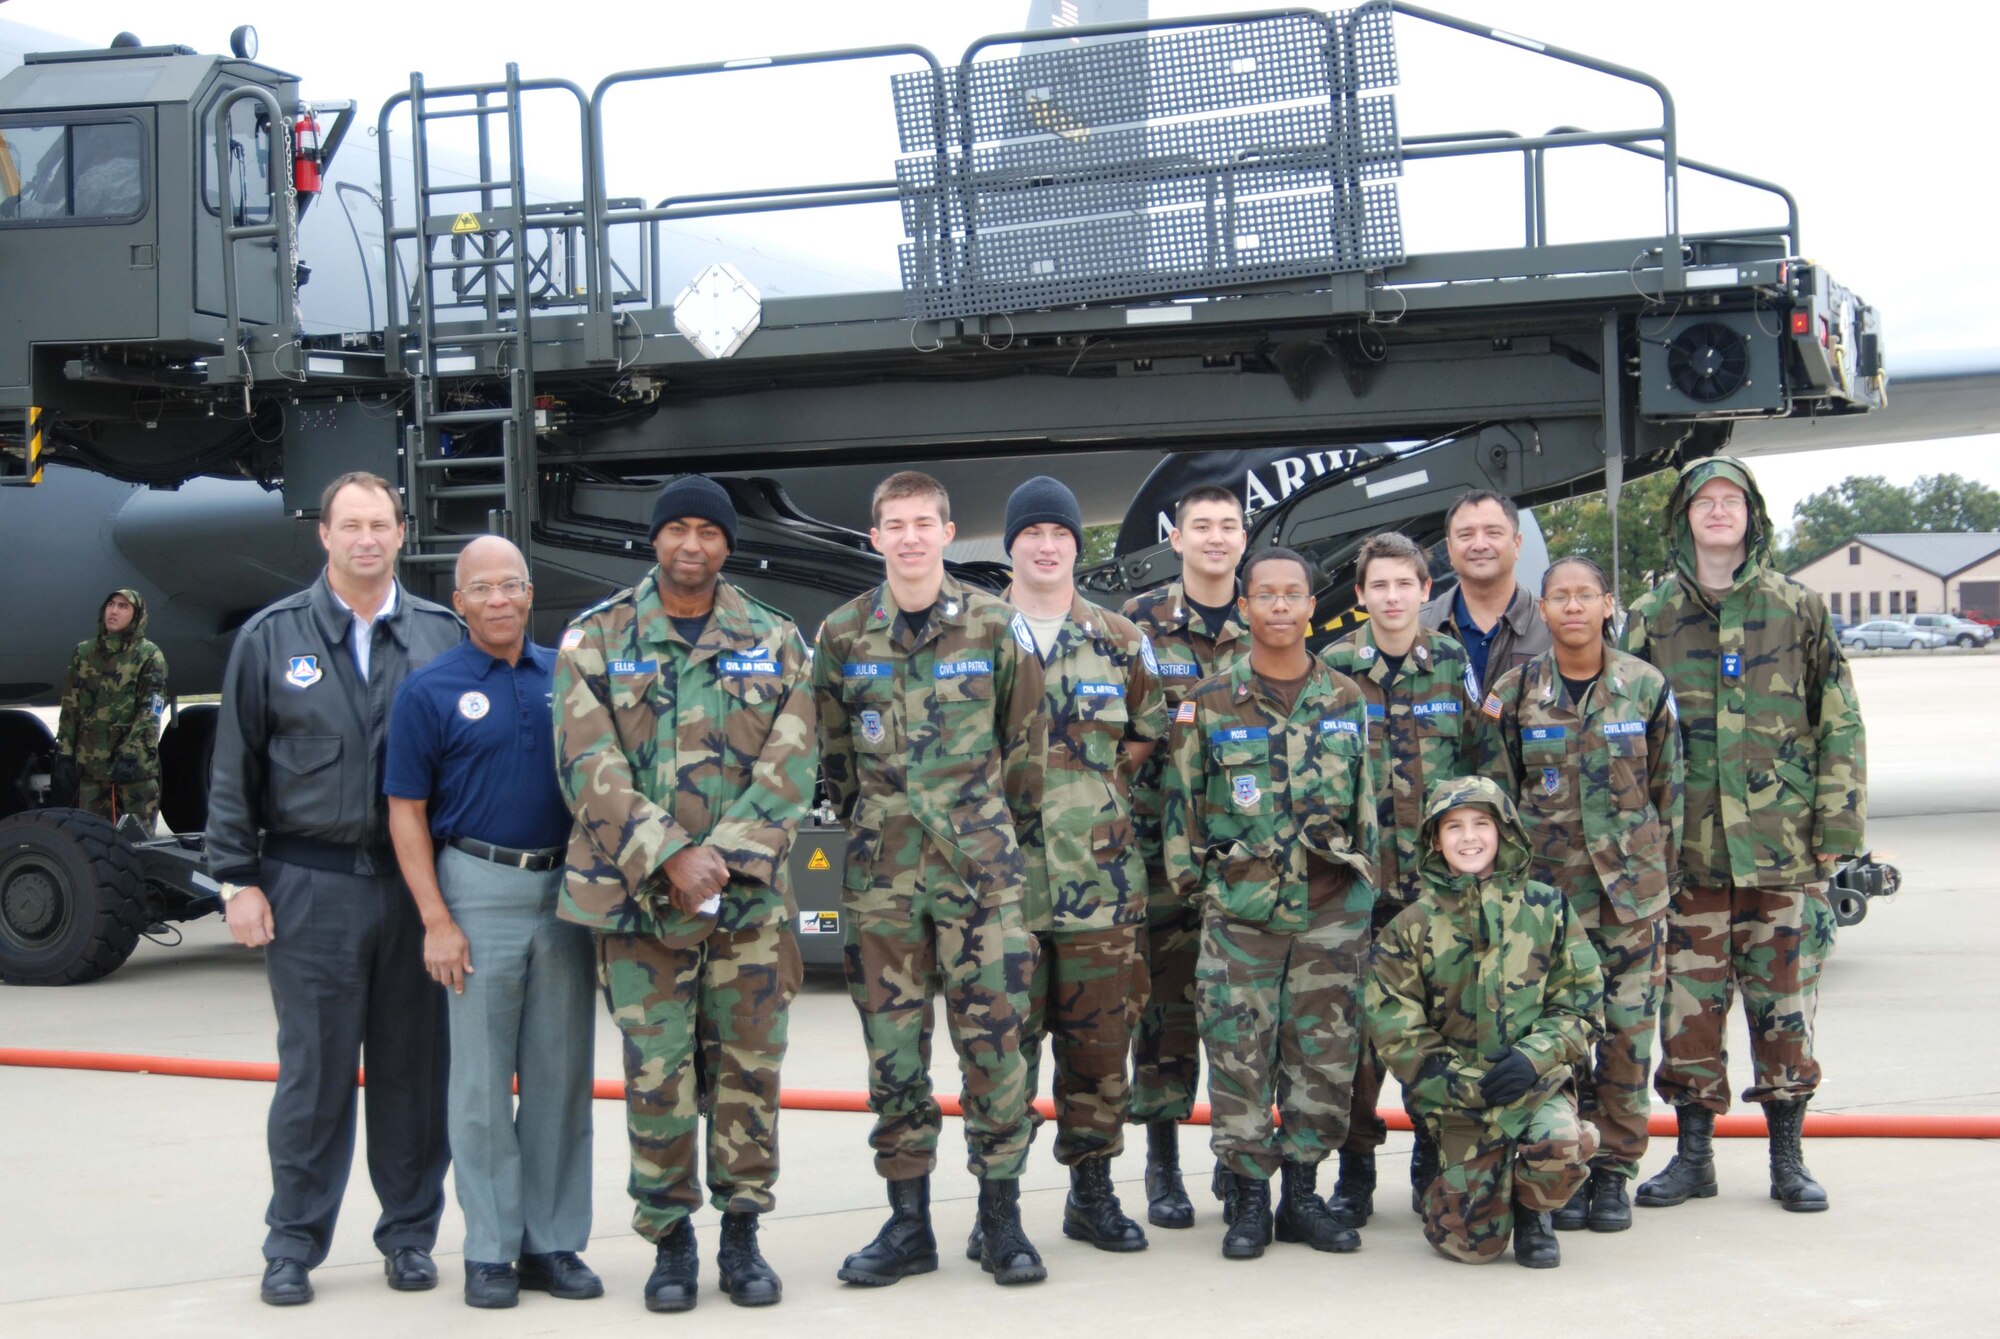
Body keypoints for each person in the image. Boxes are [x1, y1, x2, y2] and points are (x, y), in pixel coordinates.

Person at [555, 475, 817, 1312]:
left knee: (748, 1069)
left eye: (709, 530)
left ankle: (742, 1233)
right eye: (678, 529)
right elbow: (585, 762)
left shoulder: (775, 638)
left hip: (746, 906)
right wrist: (668, 853)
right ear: (656, 538)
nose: (692, 544)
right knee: (657, 1074)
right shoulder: (596, 637)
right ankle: (670, 1238)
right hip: (641, 906)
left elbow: (794, 763)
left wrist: (720, 858)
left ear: (727, 544)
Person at [206, 471, 464, 1307]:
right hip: (309, 884)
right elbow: (234, 769)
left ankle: (409, 1235)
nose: (365, 539)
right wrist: (237, 880)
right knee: (313, 1075)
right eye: (349, 525)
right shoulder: (271, 636)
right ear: (323, 535)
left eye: (379, 524)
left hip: (413, 890)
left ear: (401, 532)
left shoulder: (441, 635)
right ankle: (292, 1243)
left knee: (412, 1072)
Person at [812, 470, 1047, 1288]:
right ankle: (908, 1224)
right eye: (896, 524)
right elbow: (835, 755)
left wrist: (977, 821)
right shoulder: (843, 634)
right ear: (875, 536)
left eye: (924, 523)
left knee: (996, 1045)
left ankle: (1001, 1219)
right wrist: (883, 820)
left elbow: (1025, 749)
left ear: (948, 532)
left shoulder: (995, 624)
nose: (910, 537)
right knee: (892, 1050)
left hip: (981, 874)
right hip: (882, 877)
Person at [1620, 457, 1864, 1213]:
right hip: (1686, 853)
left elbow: (1839, 718)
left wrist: (1838, 824)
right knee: (1687, 1012)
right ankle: (1694, 1158)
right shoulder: (1652, 615)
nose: (1719, 511)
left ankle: (1788, 1158)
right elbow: (1628, 734)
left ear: (1752, 514)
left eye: (1733, 500)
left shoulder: (1797, 608)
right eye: (1706, 501)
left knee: (1784, 1009)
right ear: (1685, 518)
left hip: (1781, 850)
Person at [384, 536, 599, 1310]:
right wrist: (435, 918)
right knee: (478, 1083)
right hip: (476, 887)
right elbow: (405, 811)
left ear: (531, 593)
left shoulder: (567, 678)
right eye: (482, 588)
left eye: (512, 584)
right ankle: (491, 1249)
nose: (499, 599)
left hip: (564, 891)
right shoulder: (429, 690)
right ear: (460, 602)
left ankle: (552, 1242)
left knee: (559, 1075)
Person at [1162, 546, 1376, 1260]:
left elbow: (1365, 806)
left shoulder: (1345, 697)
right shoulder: (1209, 702)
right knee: (1238, 1053)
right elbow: (1182, 808)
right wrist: (1207, 891)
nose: (1280, 606)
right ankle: (1249, 1198)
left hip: (1330, 912)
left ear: (1313, 606)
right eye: (1266, 595)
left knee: (1325, 1056)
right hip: (1242, 914)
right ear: (1245, 607)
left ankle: (1303, 1197)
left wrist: (1363, 891)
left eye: (1293, 594)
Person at [1478, 555, 1682, 1233]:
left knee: (1626, 1040)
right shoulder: (1514, 692)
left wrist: (1661, 882)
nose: (1572, 606)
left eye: (1584, 595)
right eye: (1559, 596)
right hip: (1547, 906)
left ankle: (1615, 1172)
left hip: (1630, 903)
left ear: (1607, 604)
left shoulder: (1644, 686)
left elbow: (1669, 792)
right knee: (1555, 1041)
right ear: (1542, 608)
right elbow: (1495, 800)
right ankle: (1562, 1170)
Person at [994, 476, 1167, 1257]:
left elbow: (1145, 730)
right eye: (1031, 532)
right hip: (1000, 888)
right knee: (999, 1053)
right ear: (1011, 544)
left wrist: (1092, 792)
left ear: (1075, 543)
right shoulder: (975, 636)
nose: (1046, 545)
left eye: (1059, 532)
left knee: (1099, 1050)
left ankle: (1092, 1194)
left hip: (1101, 888)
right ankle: (997, 1206)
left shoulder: (1119, 636)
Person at [1366, 776, 1604, 1267]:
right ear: (1435, 840)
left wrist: (1532, 1058)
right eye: (1453, 827)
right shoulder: (1408, 927)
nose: (1469, 837)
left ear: (1504, 832)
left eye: (1481, 824)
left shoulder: (1549, 908)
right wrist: (1460, 1083)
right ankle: (1448, 1164)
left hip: (1535, 1084)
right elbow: (1395, 1026)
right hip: (1455, 1097)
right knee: (1470, 1247)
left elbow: (1582, 1003)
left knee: (1559, 1143)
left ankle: (1534, 1212)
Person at [1318, 532, 1477, 1223]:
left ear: (1424, 588)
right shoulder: (1333, 668)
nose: (1391, 597)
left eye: (1403, 583)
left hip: (1435, 895)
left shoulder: (1451, 663)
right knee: (1355, 1040)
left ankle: (1430, 1161)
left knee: (1436, 1030)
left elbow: (1480, 768)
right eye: (1378, 585)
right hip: (1356, 892)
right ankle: (1355, 1169)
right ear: (1359, 594)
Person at [1120, 483, 1252, 1229]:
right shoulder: (1137, 624)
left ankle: (1236, 1159)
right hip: (1156, 853)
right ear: (1176, 538)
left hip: (1242, 852)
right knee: (1163, 1011)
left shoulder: (1265, 617)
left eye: (1228, 525)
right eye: (1201, 525)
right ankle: (1163, 1162)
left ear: (1244, 536)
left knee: (1242, 1012)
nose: (1215, 537)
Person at [1420, 490, 1551, 698]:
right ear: (1449, 548)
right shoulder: (1418, 628)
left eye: (1493, 533)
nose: (1480, 545)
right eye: (1466, 535)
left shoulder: (1552, 626)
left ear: (1517, 544)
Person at [56, 588, 167, 828]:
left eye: (123, 606)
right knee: (93, 840)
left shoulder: (149, 655)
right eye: (111, 604)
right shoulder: (84, 653)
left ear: (137, 615)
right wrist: (64, 753)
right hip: (92, 771)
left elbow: (151, 711)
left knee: (137, 841)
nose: (114, 611)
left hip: (133, 771)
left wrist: (132, 754)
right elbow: (70, 705)